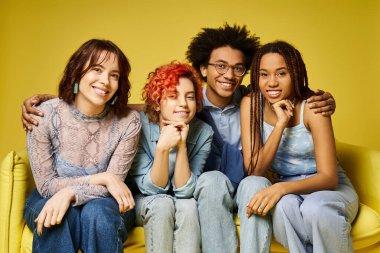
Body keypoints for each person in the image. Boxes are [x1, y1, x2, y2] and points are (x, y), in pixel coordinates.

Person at [185, 24, 337, 253]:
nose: (229, 75)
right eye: (220, 66)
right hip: (213, 189)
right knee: (212, 180)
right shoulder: (187, 105)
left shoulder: (252, 99)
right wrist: (121, 107)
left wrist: (325, 100)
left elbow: (284, 90)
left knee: (255, 183)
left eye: (238, 68)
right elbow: (155, 106)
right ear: (203, 69)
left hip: (251, 182)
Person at [23, 39, 141, 253]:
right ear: (78, 71)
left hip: (106, 203)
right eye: (97, 69)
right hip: (47, 196)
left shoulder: (128, 121)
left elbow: (114, 188)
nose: (105, 81)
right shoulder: (44, 114)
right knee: (60, 217)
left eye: (114, 75)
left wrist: (69, 194)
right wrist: (102, 178)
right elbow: (47, 186)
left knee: (97, 214)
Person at [240, 40, 358, 253]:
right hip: (289, 192)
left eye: (281, 73)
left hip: (329, 189)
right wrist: (280, 124)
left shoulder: (313, 106)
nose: (272, 82)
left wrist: (280, 187)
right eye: (264, 74)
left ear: (295, 74)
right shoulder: (252, 104)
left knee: (315, 208)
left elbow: (329, 178)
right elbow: (254, 170)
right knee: (285, 207)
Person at [127, 62, 213, 253]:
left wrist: (181, 145)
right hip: (144, 201)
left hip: (181, 199)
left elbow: (185, 191)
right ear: (157, 103)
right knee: (162, 204)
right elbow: (150, 189)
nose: (183, 103)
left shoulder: (203, 132)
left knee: (189, 207)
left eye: (190, 97)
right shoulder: (137, 125)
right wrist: (163, 148)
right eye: (173, 96)